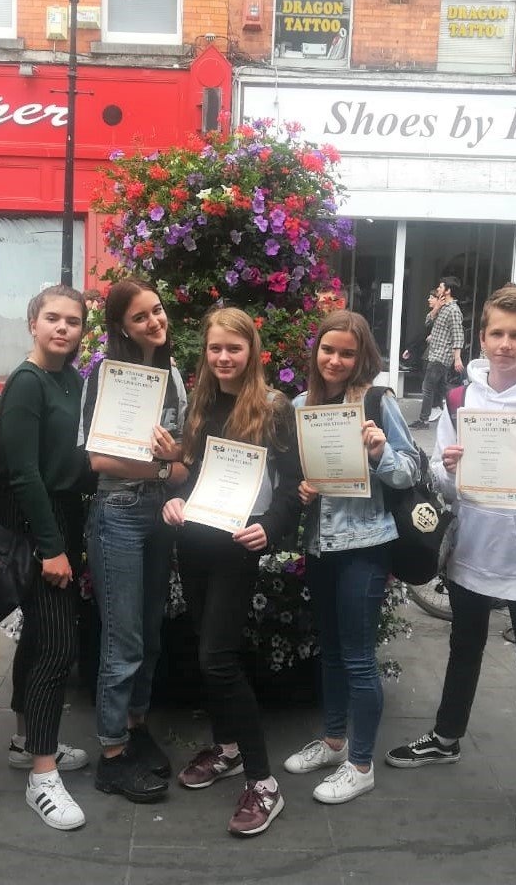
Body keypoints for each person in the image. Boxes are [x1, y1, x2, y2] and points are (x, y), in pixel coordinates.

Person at [385, 286, 516, 835]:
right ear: (481, 337)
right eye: (496, 333)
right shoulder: (459, 401)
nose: (504, 345)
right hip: (474, 548)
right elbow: (445, 487)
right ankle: (447, 737)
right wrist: (447, 469)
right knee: (464, 645)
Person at [161, 308, 302, 836]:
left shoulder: (272, 408)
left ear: (253, 352)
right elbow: (188, 475)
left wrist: (271, 526)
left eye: (234, 349)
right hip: (195, 541)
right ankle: (227, 750)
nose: (224, 358)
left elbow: (291, 485)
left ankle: (264, 782)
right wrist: (174, 499)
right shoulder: (199, 404)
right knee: (207, 647)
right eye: (216, 349)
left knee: (217, 658)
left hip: (239, 548)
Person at [283, 310, 417, 804]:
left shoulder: (378, 402)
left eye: (347, 352)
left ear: (363, 357)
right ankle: (334, 740)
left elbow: (409, 472)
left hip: (366, 543)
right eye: (328, 350)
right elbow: (299, 471)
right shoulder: (303, 404)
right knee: (332, 649)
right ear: (316, 352)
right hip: (321, 543)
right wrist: (299, 488)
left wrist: (381, 452)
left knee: (359, 657)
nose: (335, 360)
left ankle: (360, 764)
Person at [79, 277, 189, 803]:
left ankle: (137, 727)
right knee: (121, 640)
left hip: (158, 515)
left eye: (158, 310)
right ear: (122, 326)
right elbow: (98, 460)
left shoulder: (173, 377)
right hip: (118, 514)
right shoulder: (106, 376)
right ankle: (112, 754)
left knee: (149, 632)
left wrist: (169, 463)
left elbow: (184, 463)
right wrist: (160, 465)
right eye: (141, 316)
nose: (155, 321)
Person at [0, 285, 93, 830]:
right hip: (38, 523)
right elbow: (24, 473)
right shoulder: (27, 383)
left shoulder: (70, 378)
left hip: (66, 514)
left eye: (72, 321)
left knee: (36, 635)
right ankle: (43, 774)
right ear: (32, 322)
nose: (62, 328)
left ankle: (28, 739)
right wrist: (51, 548)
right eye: (52, 318)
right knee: (57, 643)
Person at [410, 277, 464, 429]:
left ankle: (424, 420)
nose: (438, 289)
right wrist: (436, 308)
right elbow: (428, 321)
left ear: (448, 291)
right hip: (434, 353)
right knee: (442, 387)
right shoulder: (443, 307)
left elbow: (457, 334)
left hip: (442, 355)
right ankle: (457, 411)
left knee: (427, 387)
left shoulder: (454, 310)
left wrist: (457, 358)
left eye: (441, 287)